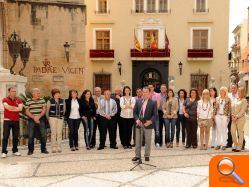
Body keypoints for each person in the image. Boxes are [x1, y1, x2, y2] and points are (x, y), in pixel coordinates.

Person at [132, 87, 157, 162]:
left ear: (149, 93)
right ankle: (137, 155)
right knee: (138, 141)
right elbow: (134, 112)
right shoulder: (138, 101)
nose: (145, 93)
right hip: (139, 124)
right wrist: (137, 120)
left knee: (147, 141)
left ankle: (147, 155)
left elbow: (155, 114)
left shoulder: (153, 102)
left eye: (146, 92)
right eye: (143, 92)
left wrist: (150, 121)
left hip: (148, 124)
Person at [25, 88, 48, 155]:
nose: (39, 94)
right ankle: (30, 150)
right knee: (31, 135)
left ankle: (43, 149)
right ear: (33, 93)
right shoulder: (28, 101)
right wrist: (34, 118)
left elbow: (44, 110)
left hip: (41, 119)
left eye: (39, 93)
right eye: (37, 93)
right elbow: (27, 111)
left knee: (44, 134)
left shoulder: (42, 100)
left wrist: (38, 117)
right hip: (31, 119)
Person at [1, 87, 23, 158]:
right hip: (7, 120)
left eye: (15, 91)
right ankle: (4, 152)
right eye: (12, 91)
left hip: (16, 120)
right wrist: (15, 108)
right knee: (5, 136)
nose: (14, 92)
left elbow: (20, 108)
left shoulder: (19, 99)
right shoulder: (5, 99)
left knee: (15, 136)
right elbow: (7, 107)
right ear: (9, 92)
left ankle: (15, 151)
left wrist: (11, 108)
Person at [46, 89, 65, 153]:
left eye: (59, 93)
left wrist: (62, 116)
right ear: (53, 94)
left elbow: (64, 109)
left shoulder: (62, 101)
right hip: (52, 118)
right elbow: (47, 111)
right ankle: (53, 147)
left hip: (60, 118)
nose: (58, 95)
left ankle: (59, 146)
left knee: (59, 133)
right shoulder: (50, 101)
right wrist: (48, 118)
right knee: (53, 133)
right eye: (56, 94)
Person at [231, 87, 247, 152]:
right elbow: (232, 108)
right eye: (238, 91)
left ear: (242, 92)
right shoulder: (236, 99)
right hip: (234, 118)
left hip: (240, 118)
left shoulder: (244, 100)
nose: (238, 92)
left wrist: (236, 116)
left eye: (240, 91)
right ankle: (235, 145)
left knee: (240, 133)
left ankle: (239, 147)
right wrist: (232, 115)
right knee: (232, 132)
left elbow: (242, 110)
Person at [227, 84, 238, 148]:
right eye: (232, 88)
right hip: (231, 115)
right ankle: (229, 143)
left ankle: (241, 144)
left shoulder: (239, 95)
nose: (233, 89)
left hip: (238, 115)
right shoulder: (228, 95)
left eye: (234, 88)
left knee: (239, 130)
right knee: (230, 129)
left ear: (237, 88)